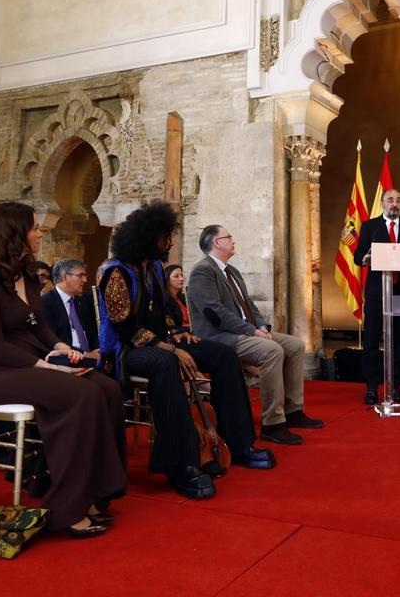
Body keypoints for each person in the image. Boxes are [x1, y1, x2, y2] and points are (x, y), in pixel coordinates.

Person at [0, 201, 125, 538]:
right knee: (80, 394)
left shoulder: (28, 273)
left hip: (30, 363)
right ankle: (67, 507)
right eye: (34, 227)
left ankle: (94, 492)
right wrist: (46, 365)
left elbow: (38, 326)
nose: (39, 232)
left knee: (106, 387)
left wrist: (62, 349)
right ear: (14, 232)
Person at [98, 201, 275, 498]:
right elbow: (123, 326)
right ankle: (179, 463)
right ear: (149, 237)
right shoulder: (117, 273)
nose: (170, 242)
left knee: (222, 354)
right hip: (125, 351)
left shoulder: (154, 268)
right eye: (166, 236)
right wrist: (166, 346)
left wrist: (179, 334)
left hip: (161, 343)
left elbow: (166, 311)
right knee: (167, 362)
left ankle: (239, 441)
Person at [189, 225, 321, 445]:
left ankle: (293, 410)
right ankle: (273, 423)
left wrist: (263, 328)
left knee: (295, 345)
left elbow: (249, 305)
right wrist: (251, 331)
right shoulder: (202, 271)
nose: (233, 240)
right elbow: (215, 313)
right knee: (272, 351)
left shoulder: (232, 271)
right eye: (228, 237)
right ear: (215, 243)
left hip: (247, 332)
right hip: (219, 337)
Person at [354, 188, 400, 405]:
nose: (395, 204)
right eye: (390, 200)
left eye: (398, 201)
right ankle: (372, 388)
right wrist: (366, 258)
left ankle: (396, 388)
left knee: (398, 342)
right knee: (372, 341)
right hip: (376, 293)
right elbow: (357, 256)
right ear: (382, 203)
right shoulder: (370, 227)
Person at [42, 259, 99, 353]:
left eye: (85, 275)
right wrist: (84, 354)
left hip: (90, 358)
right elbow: (53, 340)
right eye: (80, 275)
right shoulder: (46, 303)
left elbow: (92, 333)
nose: (85, 280)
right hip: (66, 358)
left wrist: (97, 350)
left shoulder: (81, 303)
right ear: (65, 276)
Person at [163, 264, 190, 331]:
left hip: (191, 331)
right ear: (167, 279)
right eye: (176, 276)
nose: (181, 279)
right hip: (179, 334)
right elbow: (172, 327)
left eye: (182, 275)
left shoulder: (183, 297)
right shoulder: (165, 299)